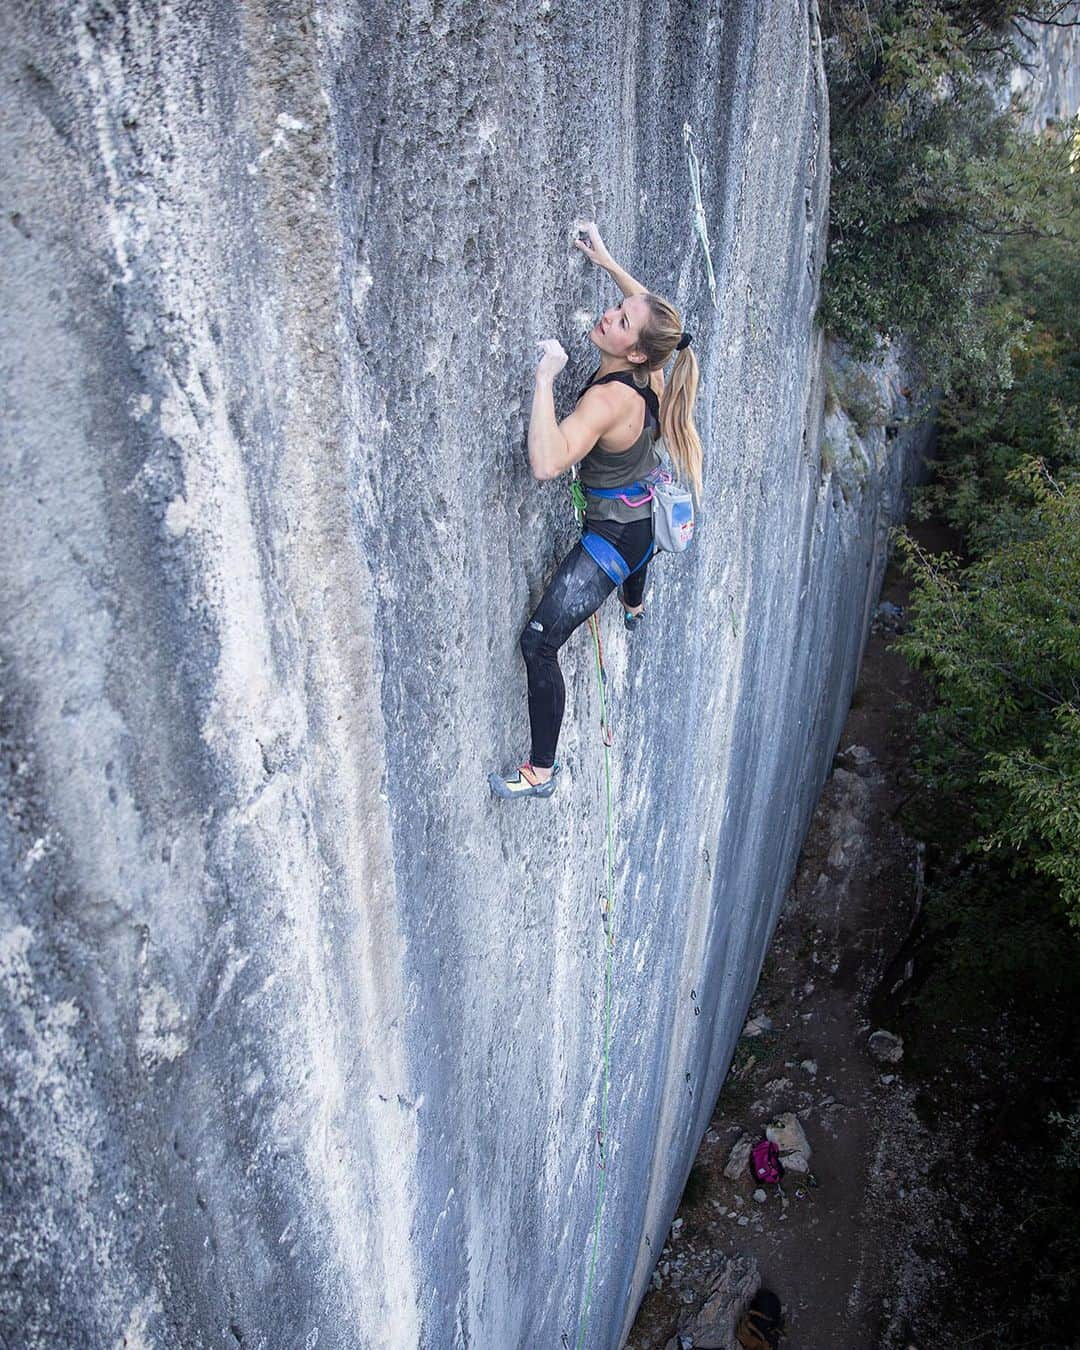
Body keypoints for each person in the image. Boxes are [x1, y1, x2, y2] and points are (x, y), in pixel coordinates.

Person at [489, 223, 704, 801]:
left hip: (611, 539)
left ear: (632, 350)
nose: (610, 315)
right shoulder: (655, 369)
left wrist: (544, 379)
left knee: (538, 642)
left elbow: (547, 462)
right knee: (640, 557)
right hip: (642, 517)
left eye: (620, 320)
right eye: (615, 308)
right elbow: (658, 328)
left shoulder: (608, 398)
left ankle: (541, 771)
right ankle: (635, 604)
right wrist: (609, 260)